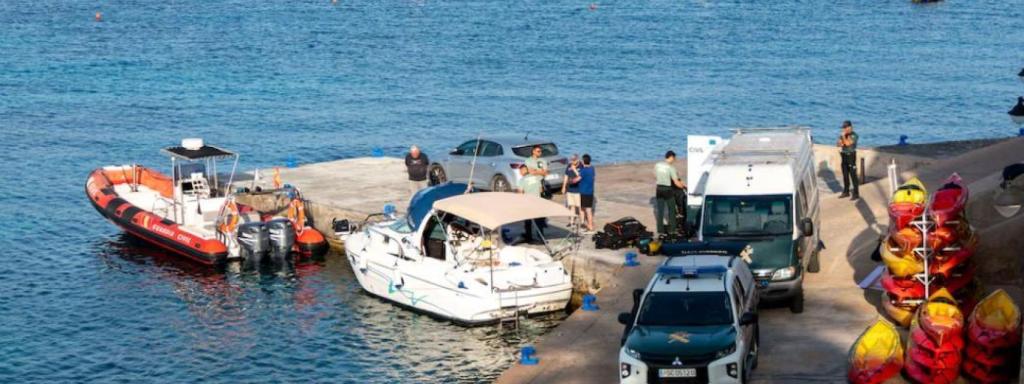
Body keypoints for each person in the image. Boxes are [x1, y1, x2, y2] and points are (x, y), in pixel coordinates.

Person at [654, 151, 686, 236]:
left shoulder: (657, 165)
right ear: (671, 157)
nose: (674, 160)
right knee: (672, 209)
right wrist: (684, 187)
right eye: (674, 158)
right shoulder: (671, 168)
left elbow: (656, 176)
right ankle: (672, 229)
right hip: (667, 189)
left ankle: (660, 229)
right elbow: (676, 182)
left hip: (658, 189)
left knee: (660, 210)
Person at [517, 165, 544, 243]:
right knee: (538, 221)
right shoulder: (536, 177)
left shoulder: (522, 180)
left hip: (528, 203)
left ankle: (529, 237)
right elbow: (541, 190)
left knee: (528, 221)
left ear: (523, 170)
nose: (520, 173)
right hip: (538, 202)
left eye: (520, 171)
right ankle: (541, 237)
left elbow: (520, 193)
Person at [837, 121, 860, 200]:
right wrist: (841, 141)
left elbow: (847, 144)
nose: (844, 129)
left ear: (850, 127)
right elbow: (838, 144)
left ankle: (856, 193)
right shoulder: (844, 135)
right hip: (844, 155)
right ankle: (846, 191)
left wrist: (843, 138)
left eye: (845, 128)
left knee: (853, 175)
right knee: (845, 174)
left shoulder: (854, 135)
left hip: (851, 155)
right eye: (843, 128)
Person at [576, 154, 597, 233]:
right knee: (588, 209)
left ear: (583, 161)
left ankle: (589, 226)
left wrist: (571, 181)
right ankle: (588, 225)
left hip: (584, 192)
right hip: (590, 192)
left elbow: (578, 179)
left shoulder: (583, 170)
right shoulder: (592, 169)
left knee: (585, 209)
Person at [561, 154, 582, 226]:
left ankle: (582, 222)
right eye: (571, 160)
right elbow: (566, 176)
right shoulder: (569, 165)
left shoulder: (581, 166)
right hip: (570, 189)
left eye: (574, 160)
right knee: (571, 205)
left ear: (578, 160)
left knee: (579, 207)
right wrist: (563, 187)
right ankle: (572, 221)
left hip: (578, 190)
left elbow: (581, 176)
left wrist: (574, 169)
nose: (572, 161)